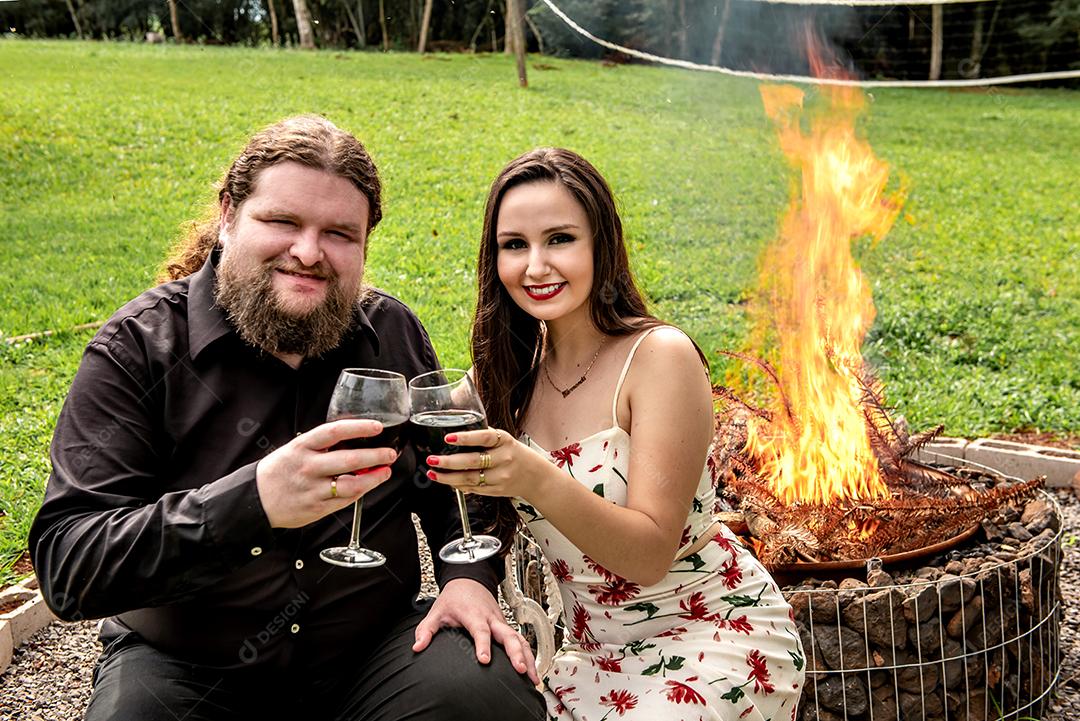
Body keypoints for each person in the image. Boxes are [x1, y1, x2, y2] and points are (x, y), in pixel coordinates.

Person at [29, 116, 545, 721]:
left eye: (339, 233)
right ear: (228, 214)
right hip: (189, 667)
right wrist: (253, 501)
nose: (308, 252)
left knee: (488, 696)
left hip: (374, 658)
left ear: (364, 243)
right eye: (282, 222)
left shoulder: (391, 335)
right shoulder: (139, 349)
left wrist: (468, 578)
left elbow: (456, 482)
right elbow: (70, 563)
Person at [424, 148, 805, 721]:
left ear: (601, 243)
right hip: (591, 658)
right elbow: (417, 439)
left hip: (713, 636)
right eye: (514, 245)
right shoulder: (502, 378)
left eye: (559, 239)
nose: (535, 266)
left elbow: (650, 555)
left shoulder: (658, 359)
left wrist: (534, 477)